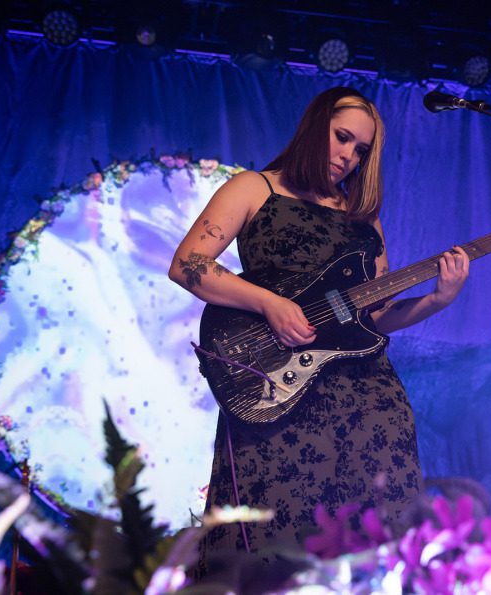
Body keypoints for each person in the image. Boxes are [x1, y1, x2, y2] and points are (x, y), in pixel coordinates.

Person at [168, 86, 469, 568]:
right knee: (277, 540)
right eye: (342, 137)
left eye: (361, 150)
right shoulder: (254, 187)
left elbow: (376, 318)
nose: (349, 156)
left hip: (367, 396)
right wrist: (270, 304)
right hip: (278, 387)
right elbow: (188, 263)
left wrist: (438, 298)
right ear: (315, 126)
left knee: (382, 533)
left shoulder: (363, 219)